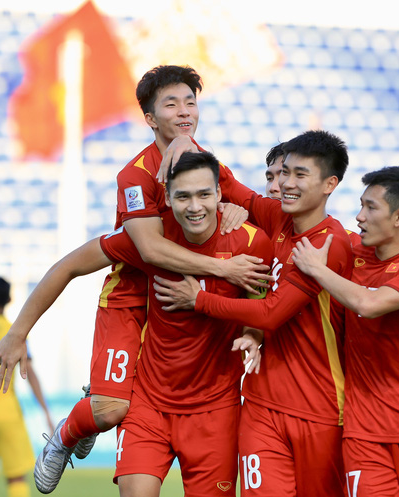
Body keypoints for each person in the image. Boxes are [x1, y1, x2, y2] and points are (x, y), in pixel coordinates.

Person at [0, 65, 270, 494]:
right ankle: (69, 432)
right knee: (111, 408)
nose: (184, 112)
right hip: (133, 293)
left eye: (190, 101)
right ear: (150, 118)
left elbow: (255, 208)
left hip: (185, 311)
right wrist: (223, 268)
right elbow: (150, 250)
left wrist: (242, 211)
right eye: (171, 104)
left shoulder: (206, 167)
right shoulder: (135, 176)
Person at [155, 130, 353, 497]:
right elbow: (230, 186)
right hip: (260, 403)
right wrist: (187, 142)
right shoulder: (278, 218)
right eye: (283, 173)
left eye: (299, 175)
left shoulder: (331, 244)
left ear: (330, 184)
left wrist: (200, 300)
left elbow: (272, 313)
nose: (285, 184)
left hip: (318, 409)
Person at [290, 166, 399, 496]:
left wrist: (318, 270)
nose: (359, 216)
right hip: (362, 426)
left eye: (370, 207)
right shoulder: (352, 254)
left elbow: (370, 304)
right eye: (360, 205)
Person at [0, 277, 54, 497]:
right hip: (7, 412)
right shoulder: (14, 332)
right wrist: (46, 411)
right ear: (9, 299)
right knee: (16, 476)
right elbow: (30, 372)